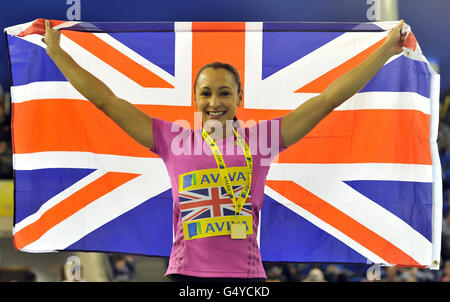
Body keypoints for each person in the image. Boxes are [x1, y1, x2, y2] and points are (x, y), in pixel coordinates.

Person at [42, 19, 407, 281]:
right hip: (186, 276)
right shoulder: (170, 139)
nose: (214, 102)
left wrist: (385, 51)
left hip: (245, 279)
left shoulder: (263, 140)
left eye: (224, 92)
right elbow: (106, 100)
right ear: (195, 99)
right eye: (206, 92)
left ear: (239, 97)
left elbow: (327, 99)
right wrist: (57, 53)